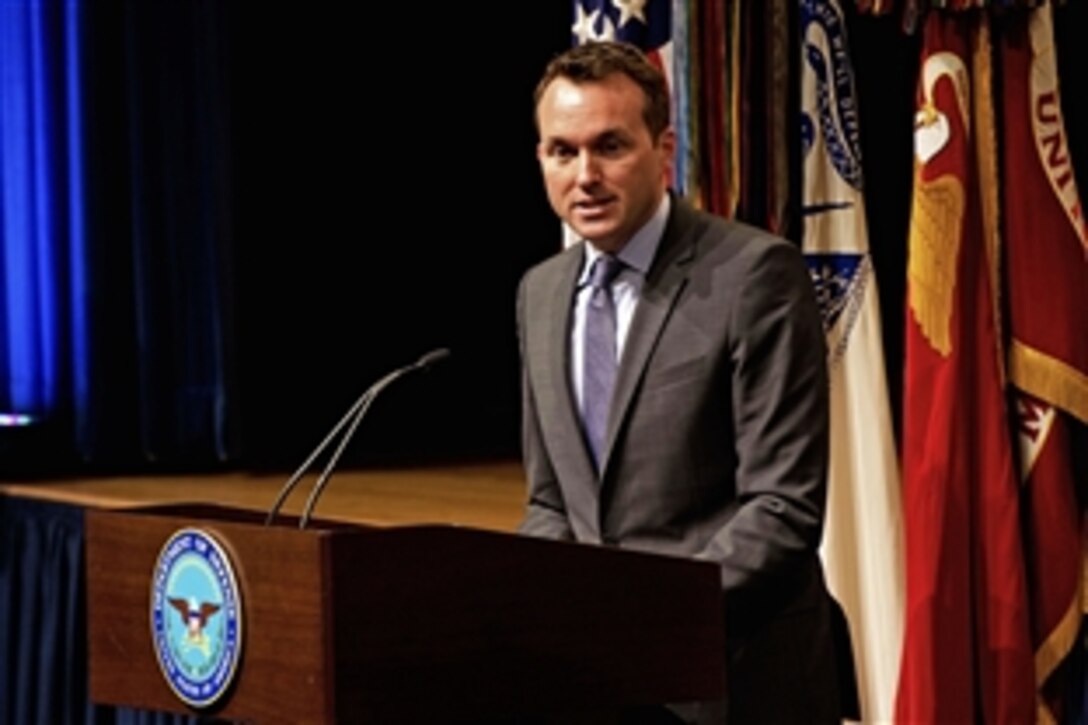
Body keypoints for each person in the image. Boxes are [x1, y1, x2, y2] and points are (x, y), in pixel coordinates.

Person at [516, 40, 846, 724]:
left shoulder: (754, 275)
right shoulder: (539, 293)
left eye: (610, 146)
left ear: (664, 151)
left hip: (733, 677)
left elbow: (782, 508)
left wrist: (641, 624)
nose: (585, 175)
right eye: (562, 151)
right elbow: (553, 500)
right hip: (600, 684)